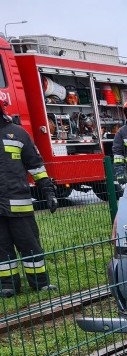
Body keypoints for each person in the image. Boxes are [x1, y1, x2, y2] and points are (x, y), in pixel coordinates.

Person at [0, 99, 59, 297]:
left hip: (19, 204)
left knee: (30, 246)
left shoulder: (18, 133)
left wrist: (48, 191)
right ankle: (8, 286)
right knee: (2, 249)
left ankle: (40, 283)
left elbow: (36, 166)